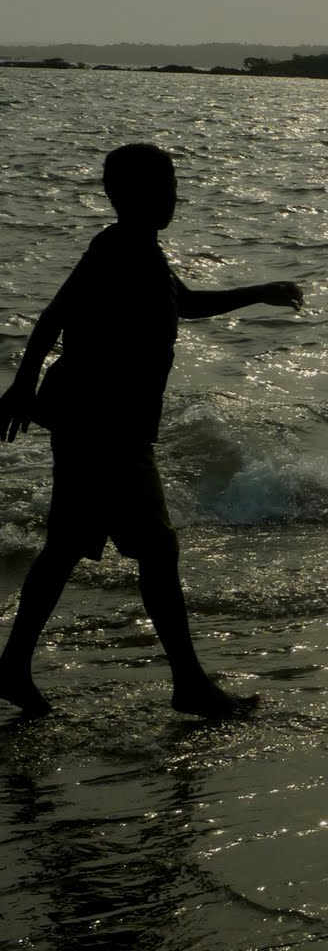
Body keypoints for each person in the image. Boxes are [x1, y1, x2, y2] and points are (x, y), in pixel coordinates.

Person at [0, 143, 305, 717]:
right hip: (104, 426)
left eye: (173, 188)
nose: (173, 199)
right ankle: (188, 685)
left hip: (103, 423)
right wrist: (22, 386)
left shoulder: (143, 250)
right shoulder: (117, 249)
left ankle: (13, 667)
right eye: (163, 189)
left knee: (66, 548)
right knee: (156, 550)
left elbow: (184, 303)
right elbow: (53, 316)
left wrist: (258, 293)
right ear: (128, 196)